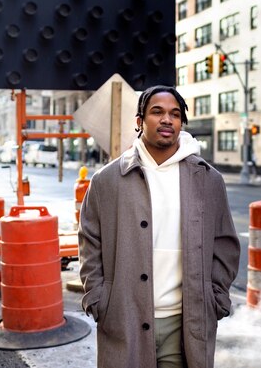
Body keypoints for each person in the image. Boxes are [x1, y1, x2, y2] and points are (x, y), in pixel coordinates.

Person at [78, 85, 240, 368]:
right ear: (139, 121)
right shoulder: (107, 180)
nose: (167, 119)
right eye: (157, 112)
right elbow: (90, 241)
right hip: (124, 317)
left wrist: (216, 299)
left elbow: (225, 245)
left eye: (175, 114)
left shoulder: (208, 180)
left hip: (186, 322)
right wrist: (97, 298)